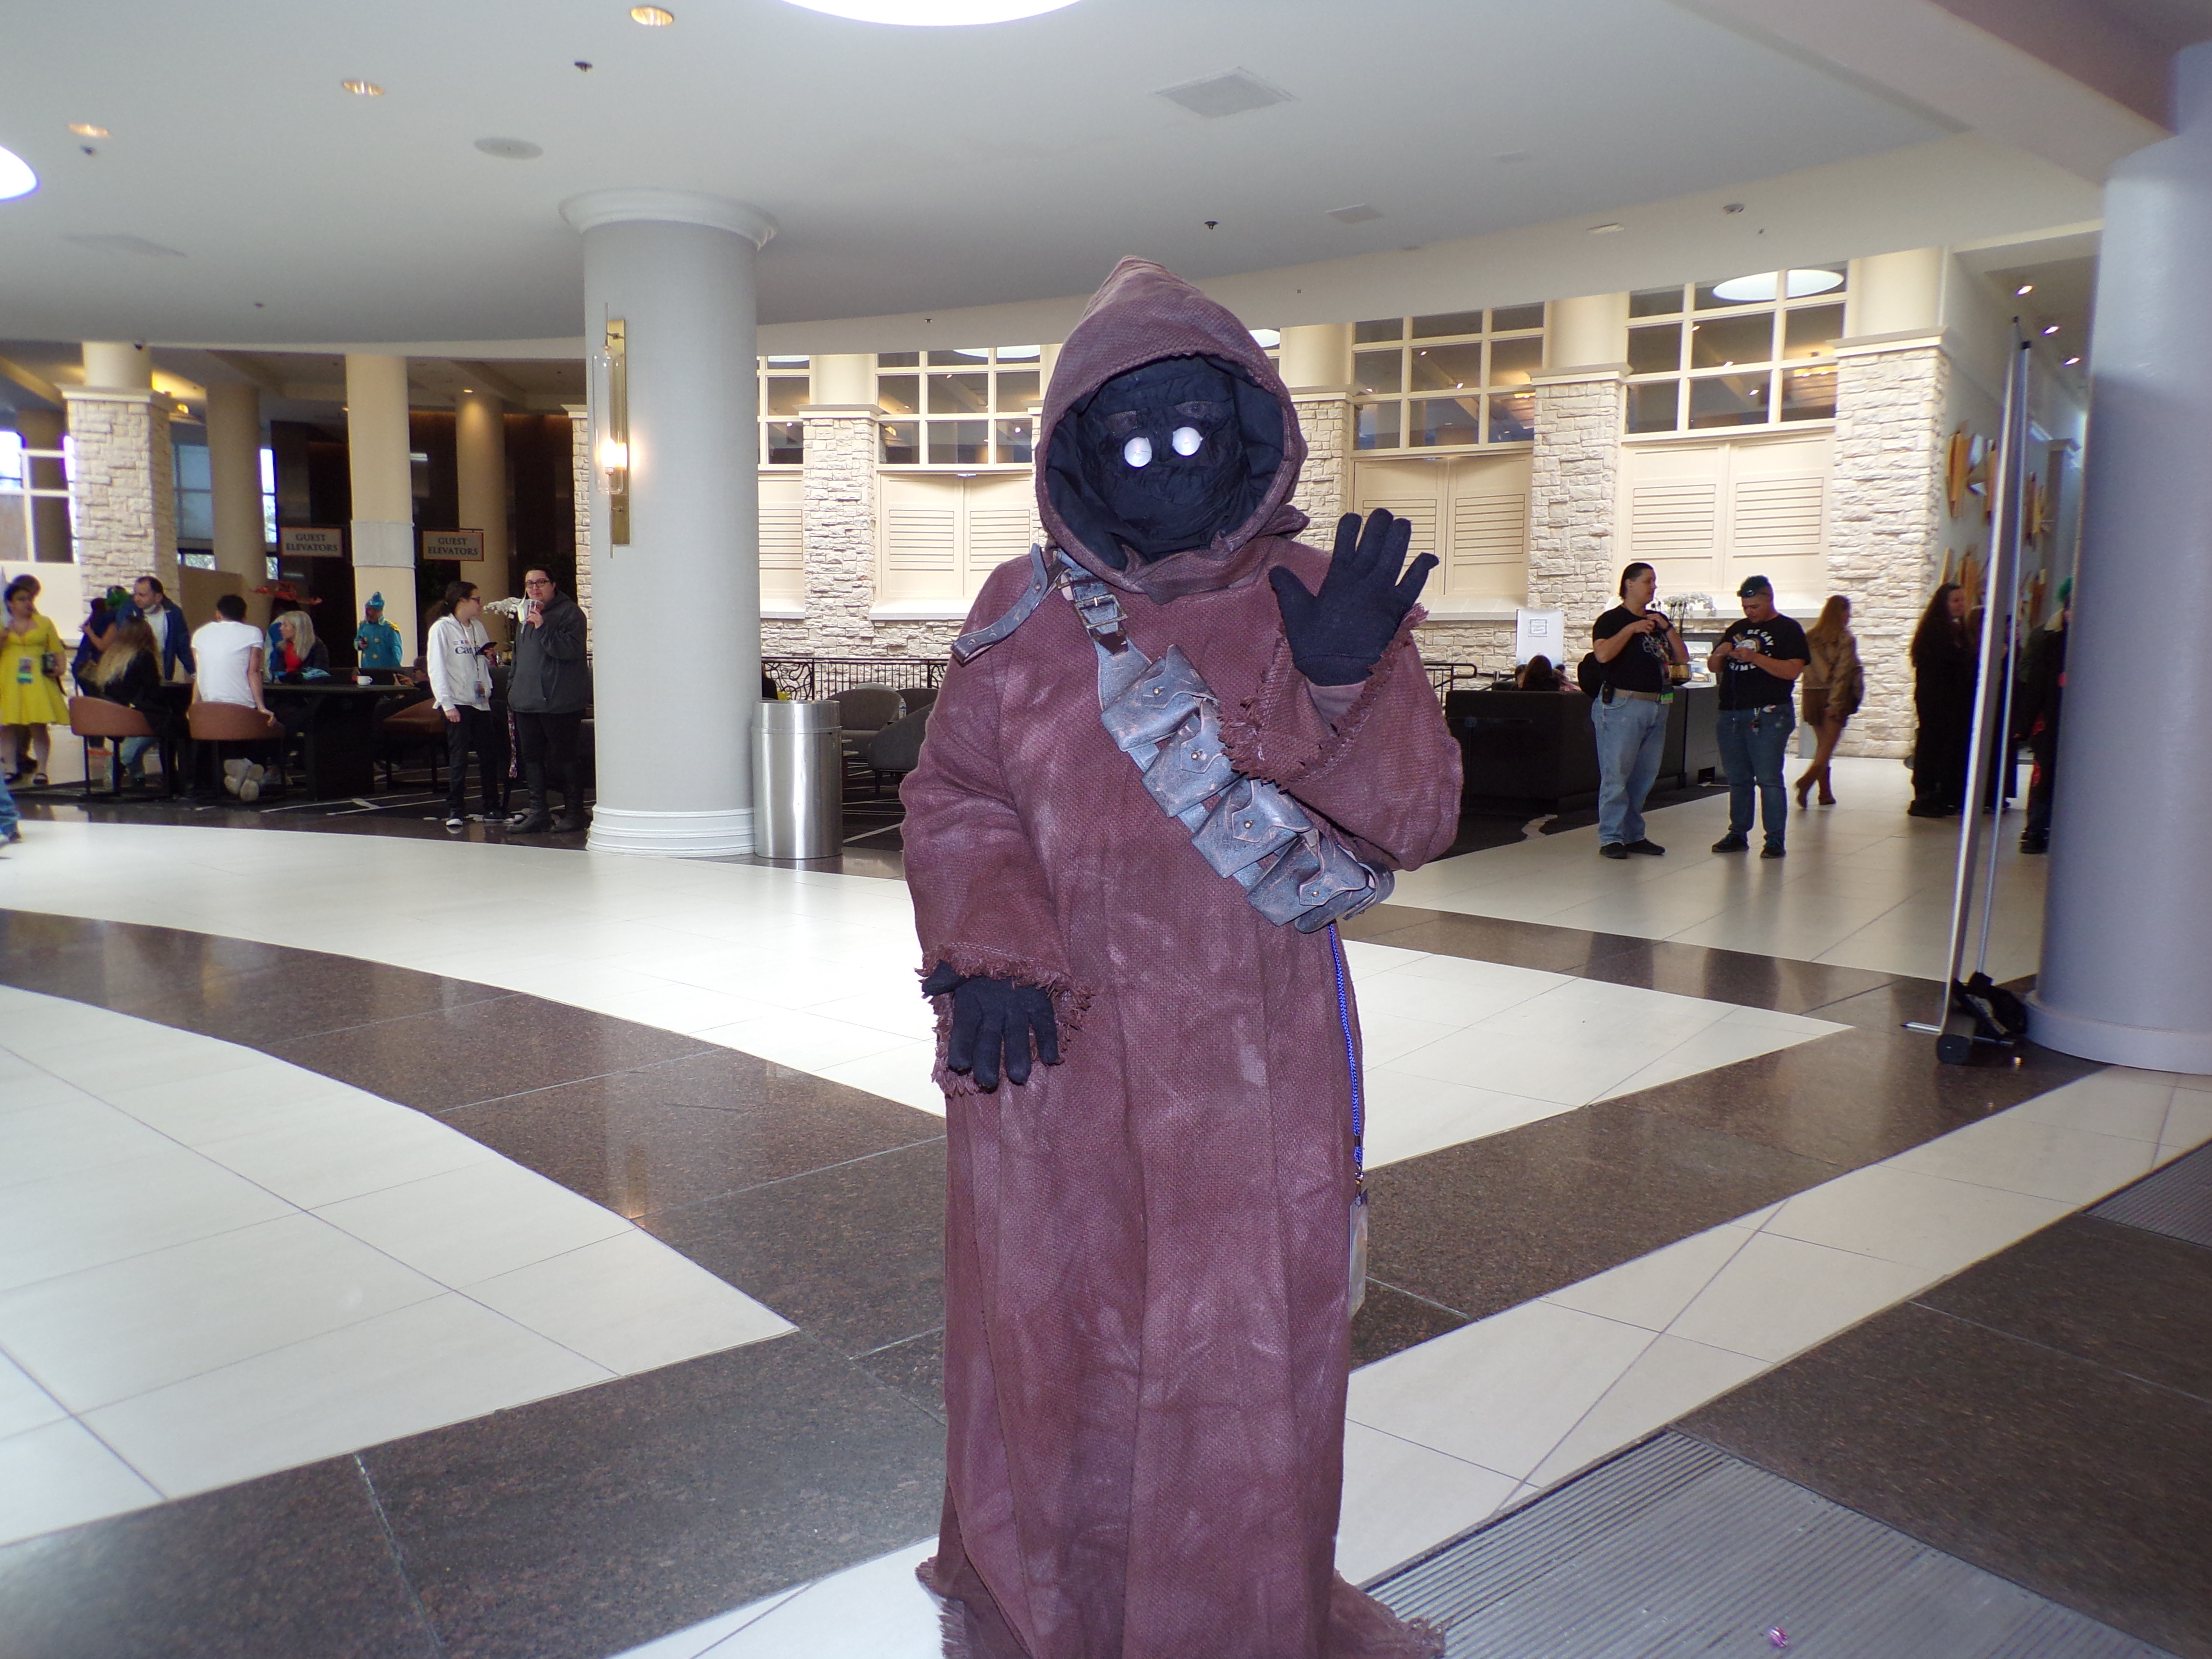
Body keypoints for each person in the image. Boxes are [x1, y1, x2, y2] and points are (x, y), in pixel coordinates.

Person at [903, 258, 1458, 1659]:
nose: (1164, 461)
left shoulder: (1313, 594)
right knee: (1052, 1338)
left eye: (1193, 428)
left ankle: (1226, 1621)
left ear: (1252, 425)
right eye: (1129, 435)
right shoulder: (1021, 612)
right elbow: (955, 793)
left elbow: (1415, 817)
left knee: (1236, 1354)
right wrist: (987, 944)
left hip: (1246, 1068)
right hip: (1051, 1054)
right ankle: (1057, 1598)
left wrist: (1336, 686)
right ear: (1077, 452)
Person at [1589, 561, 1689, 859]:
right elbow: (1603, 654)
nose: (1653, 587)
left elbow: (1683, 658)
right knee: (1617, 774)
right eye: (1648, 581)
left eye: (1654, 581)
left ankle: (1633, 835)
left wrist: (1667, 628)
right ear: (1629, 584)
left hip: (1656, 704)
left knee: (1644, 776)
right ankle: (1611, 837)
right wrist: (1631, 629)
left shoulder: (1658, 622)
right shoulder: (1611, 620)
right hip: (1622, 706)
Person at [1707, 574, 1807, 859]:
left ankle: (1774, 839)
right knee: (1738, 778)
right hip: (1732, 713)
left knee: (1768, 778)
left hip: (1769, 714)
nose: (1749, 612)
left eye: (1754, 607)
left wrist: (1754, 658)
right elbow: (1714, 667)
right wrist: (1721, 652)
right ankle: (1738, 833)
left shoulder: (1788, 629)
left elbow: (1792, 671)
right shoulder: (1737, 629)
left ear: (1769, 599)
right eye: (1745, 607)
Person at [506, 567, 590, 833]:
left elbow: (569, 650)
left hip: (559, 703)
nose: (535, 588)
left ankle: (575, 813)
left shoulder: (570, 613)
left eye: (541, 582)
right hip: (526, 701)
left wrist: (543, 628)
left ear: (553, 585)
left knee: (565, 757)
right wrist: (512, 688)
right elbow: (518, 656)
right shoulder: (526, 614)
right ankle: (538, 813)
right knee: (532, 758)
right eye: (529, 583)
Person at [426, 579, 505, 830]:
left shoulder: (478, 628)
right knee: (459, 756)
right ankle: (456, 808)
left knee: (488, 754)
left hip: (480, 700)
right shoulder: (442, 629)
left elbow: (480, 662)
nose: (480, 605)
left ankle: (491, 804)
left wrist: (488, 659)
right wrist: (447, 703)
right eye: (476, 600)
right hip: (457, 701)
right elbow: (436, 667)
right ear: (462, 601)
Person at [190, 591, 275, 800]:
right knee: (271, 724)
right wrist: (261, 707)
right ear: (244, 616)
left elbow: (200, 673)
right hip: (241, 708)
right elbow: (253, 672)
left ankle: (236, 775)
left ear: (218, 614)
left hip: (209, 709)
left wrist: (195, 706)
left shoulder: (200, 634)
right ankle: (250, 770)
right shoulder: (253, 632)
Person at [80, 615, 172, 789]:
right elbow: (152, 691)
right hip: (132, 715)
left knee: (141, 728)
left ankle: (137, 775)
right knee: (170, 725)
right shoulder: (144, 657)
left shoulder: (112, 657)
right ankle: (122, 763)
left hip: (111, 714)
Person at [1908, 581, 1973, 817]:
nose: (1960, 605)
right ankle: (1926, 794)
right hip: (1936, 698)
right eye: (1955, 601)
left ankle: (1945, 793)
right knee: (1933, 744)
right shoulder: (1935, 632)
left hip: (1953, 699)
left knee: (1948, 746)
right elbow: (1945, 663)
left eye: (1962, 600)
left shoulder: (1958, 630)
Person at [2015, 577, 2070, 854]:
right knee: (2044, 777)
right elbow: (2036, 685)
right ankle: (2036, 830)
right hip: (2051, 724)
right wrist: (2023, 725)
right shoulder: (2050, 643)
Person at [1794, 595, 1863, 809]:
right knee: (1826, 748)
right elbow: (1843, 674)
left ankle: (1825, 792)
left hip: (1812, 696)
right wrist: (1836, 703)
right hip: (1834, 695)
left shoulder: (1810, 637)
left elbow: (1805, 669)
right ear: (1840, 612)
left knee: (1823, 745)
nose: (1849, 616)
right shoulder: (1845, 639)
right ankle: (1807, 782)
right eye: (1847, 611)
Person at [1, 577, 70, 786]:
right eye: (21, 599)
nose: (27, 603)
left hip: (37, 679)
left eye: (29, 599)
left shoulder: (44, 623)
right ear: (10, 603)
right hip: (9, 679)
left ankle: (43, 769)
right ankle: (11, 768)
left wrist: (60, 667)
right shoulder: (4, 625)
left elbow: (56, 648)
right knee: (7, 725)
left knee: (38, 725)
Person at [132, 576, 196, 682]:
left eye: (142, 595)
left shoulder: (174, 614)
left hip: (162, 675)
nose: (137, 599)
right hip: (133, 677)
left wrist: (195, 673)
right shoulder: (129, 613)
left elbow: (183, 646)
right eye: (135, 594)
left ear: (158, 597)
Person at [268, 609, 328, 679]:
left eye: (285, 625)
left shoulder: (316, 646)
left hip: (309, 684)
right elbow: (278, 671)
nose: (281, 628)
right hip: (286, 683)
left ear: (297, 628)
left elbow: (320, 672)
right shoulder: (281, 647)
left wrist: (297, 677)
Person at [354, 591, 404, 672]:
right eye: (367, 609)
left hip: (384, 669)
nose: (368, 613)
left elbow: (397, 651)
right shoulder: (364, 626)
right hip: (367, 667)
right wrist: (360, 645)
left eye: (370, 610)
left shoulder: (389, 628)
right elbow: (356, 641)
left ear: (379, 611)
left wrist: (395, 670)